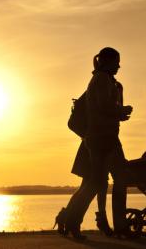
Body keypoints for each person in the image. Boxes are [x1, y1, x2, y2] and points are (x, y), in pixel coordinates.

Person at [55, 47, 132, 239]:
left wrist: (119, 114)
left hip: (106, 138)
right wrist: (120, 111)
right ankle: (73, 221)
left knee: (108, 180)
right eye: (116, 62)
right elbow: (102, 106)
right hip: (102, 139)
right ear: (106, 62)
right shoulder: (101, 79)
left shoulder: (106, 80)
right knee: (97, 183)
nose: (119, 66)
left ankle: (115, 225)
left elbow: (103, 108)